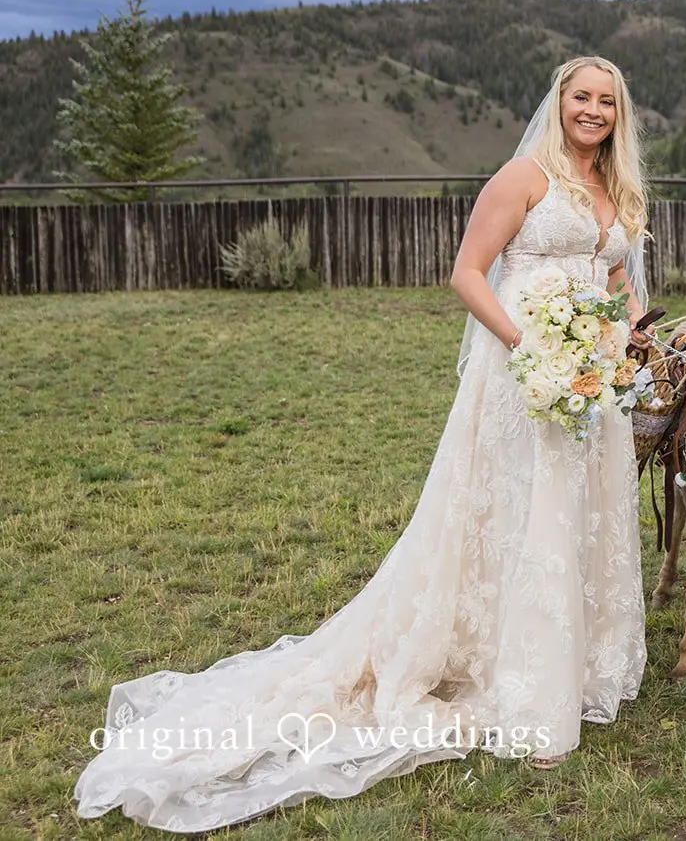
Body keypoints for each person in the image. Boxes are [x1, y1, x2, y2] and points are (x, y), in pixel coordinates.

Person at [75, 55, 652, 833]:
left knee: (577, 519)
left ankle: (576, 668)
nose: (592, 110)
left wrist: (616, 337)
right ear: (559, 103)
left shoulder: (618, 191)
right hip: (523, 374)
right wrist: (529, 346)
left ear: (619, 114)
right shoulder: (524, 176)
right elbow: (468, 273)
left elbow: (620, 285)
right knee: (522, 518)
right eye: (581, 97)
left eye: (605, 101)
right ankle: (527, 694)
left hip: (591, 381)